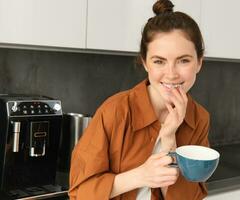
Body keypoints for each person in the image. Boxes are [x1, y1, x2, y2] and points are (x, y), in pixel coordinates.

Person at [69, 0, 210, 199]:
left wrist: (170, 139)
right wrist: (141, 176)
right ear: (145, 63)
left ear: (199, 63)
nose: (171, 74)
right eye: (159, 61)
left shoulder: (199, 119)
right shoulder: (116, 110)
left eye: (183, 60)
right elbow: (80, 192)